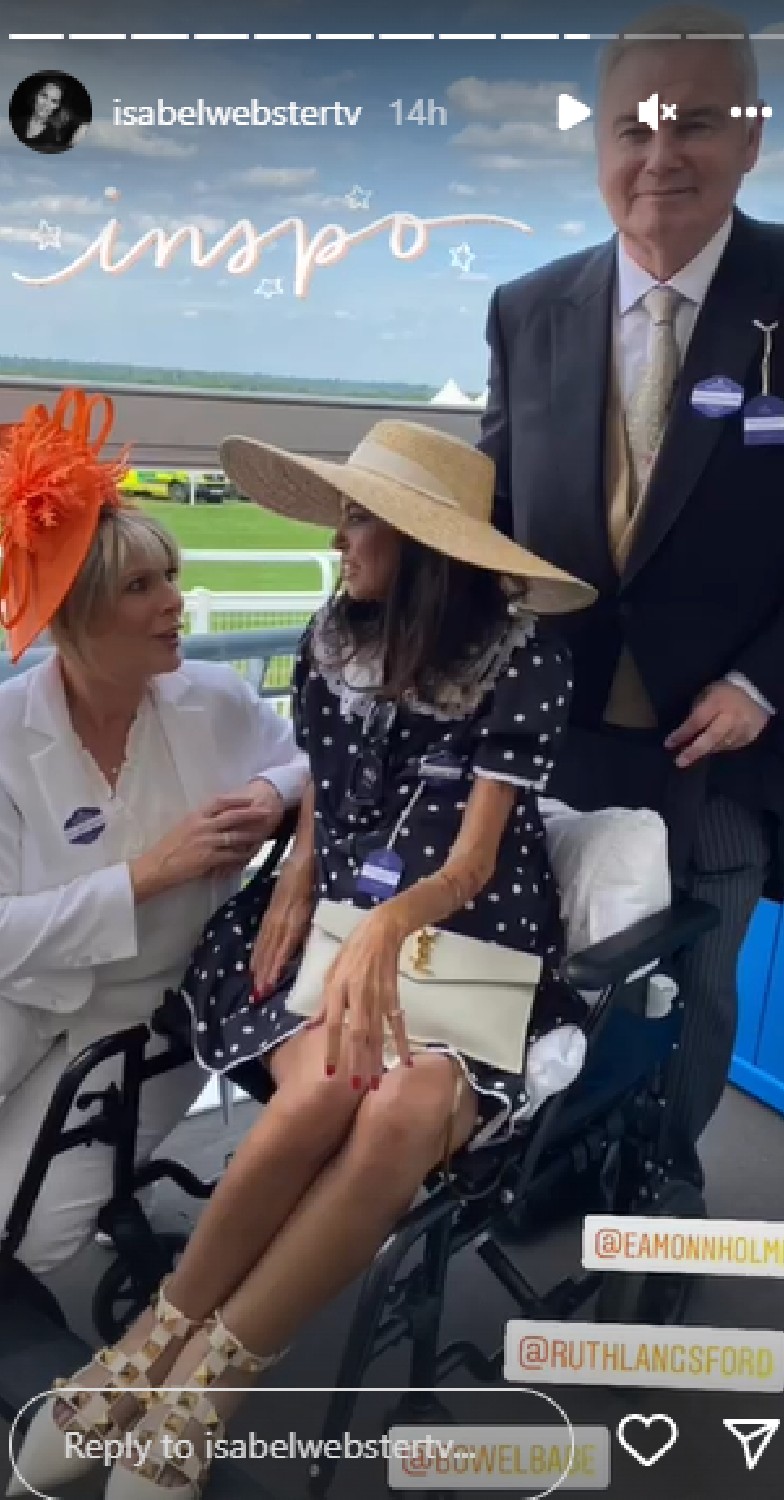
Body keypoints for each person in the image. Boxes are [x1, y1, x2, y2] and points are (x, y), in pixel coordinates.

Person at [10, 420, 595, 1499]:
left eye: (359, 518)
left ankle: (203, 1390)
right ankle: (148, 1347)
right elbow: (317, 775)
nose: (339, 539)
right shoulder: (337, 631)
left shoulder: (528, 659)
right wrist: (297, 872)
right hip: (339, 920)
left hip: (474, 933)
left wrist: (384, 926)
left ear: (424, 545)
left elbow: (470, 860)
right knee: (332, 1081)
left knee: (403, 1109)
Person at [479, 2, 784, 1187]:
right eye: (632, 128)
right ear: (599, 145)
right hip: (552, 733)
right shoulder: (525, 308)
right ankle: (543, 1167)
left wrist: (765, 682)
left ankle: (658, 1181)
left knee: (690, 992)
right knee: (543, 967)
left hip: (720, 742)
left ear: (750, 134)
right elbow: (491, 520)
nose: (659, 156)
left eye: (694, 122)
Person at [0, 388, 309, 1278]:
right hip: (22, 996)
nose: (177, 601)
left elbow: (311, 762)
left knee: (30, 1238)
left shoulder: (212, 704)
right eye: (142, 586)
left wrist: (269, 790)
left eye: (170, 575)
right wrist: (147, 876)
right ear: (69, 615)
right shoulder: (9, 737)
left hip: (152, 1014)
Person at [10, 74, 85, 154]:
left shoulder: (53, 140)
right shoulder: (14, 123)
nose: (46, 104)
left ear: (57, 106)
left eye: (54, 101)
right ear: (36, 95)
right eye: (44, 96)